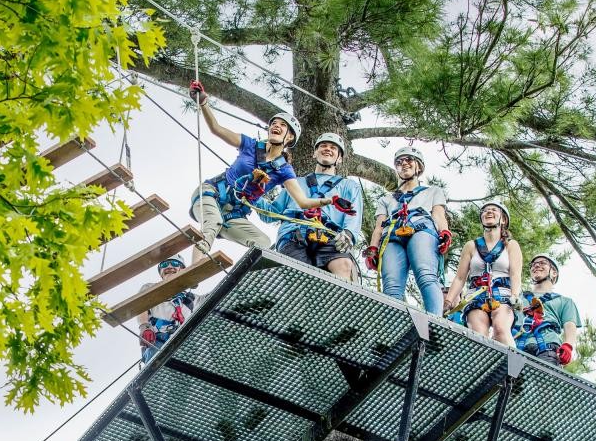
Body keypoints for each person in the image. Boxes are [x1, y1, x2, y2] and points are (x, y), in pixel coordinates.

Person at [187, 81, 355, 259]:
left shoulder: (284, 170)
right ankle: (193, 271)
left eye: (282, 125)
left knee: (264, 244)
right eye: (274, 123)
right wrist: (203, 103)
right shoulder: (250, 145)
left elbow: (304, 202)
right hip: (212, 193)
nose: (276, 126)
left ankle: (246, 278)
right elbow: (216, 129)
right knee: (213, 222)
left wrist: (331, 200)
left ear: (289, 137)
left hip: (233, 212)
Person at [256, 132, 361, 281]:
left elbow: (354, 214)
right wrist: (252, 194)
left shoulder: (348, 186)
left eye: (333, 148)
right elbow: (271, 213)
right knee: (301, 280)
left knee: (343, 264)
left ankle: (341, 300)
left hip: (330, 234)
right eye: (323, 146)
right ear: (314, 153)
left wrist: (348, 234)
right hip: (293, 233)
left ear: (339, 158)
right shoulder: (294, 182)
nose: (327, 149)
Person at [362, 146, 452, 314]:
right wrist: (373, 248)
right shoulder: (386, 199)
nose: (404, 164)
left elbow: (438, 215)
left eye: (409, 160)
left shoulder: (432, 191)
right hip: (392, 236)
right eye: (399, 162)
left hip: (421, 230)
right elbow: (379, 226)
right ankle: (392, 333)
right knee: (392, 286)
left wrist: (444, 232)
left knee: (426, 275)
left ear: (418, 166)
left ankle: (435, 322)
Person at [444, 200, 522, 347]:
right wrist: (448, 302)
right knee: (478, 336)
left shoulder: (510, 245)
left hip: (502, 294)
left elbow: (515, 274)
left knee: (501, 329)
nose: (489, 212)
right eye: (485, 210)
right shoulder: (471, 246)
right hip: (476, 294)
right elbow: (460, 278)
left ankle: (511, 367)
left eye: (494, 210)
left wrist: (515, 295)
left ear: (503, 219)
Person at [514, 255, 582, 367]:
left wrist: (568, 346)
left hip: (547, 347)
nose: (536, 265)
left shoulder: (564, 301)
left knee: (543, 381)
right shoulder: (517, 298)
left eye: (542, 263)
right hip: (516, 347)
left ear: (554, 272)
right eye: (533, 264)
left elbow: (569, 325)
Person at [137, 258, 199, 364]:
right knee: (156, 373)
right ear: (160, 272)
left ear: (182, 269)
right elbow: (141, 306)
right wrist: (144, 326)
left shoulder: (191, 299)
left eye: (175, 264)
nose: (169, 267)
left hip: (185, 343)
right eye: (164, 265)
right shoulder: (151, 288)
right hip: (159, 341)